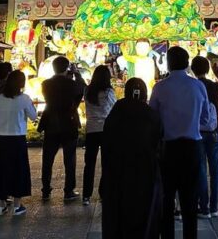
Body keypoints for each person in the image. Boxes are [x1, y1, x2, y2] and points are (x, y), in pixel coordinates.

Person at [150, 46, 210, 239]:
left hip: (169, 149)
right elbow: (205, 118)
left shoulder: (160, 87)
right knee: (189, 200)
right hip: (193, 147)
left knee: (167, 199)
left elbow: (153, 119)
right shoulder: (198, 86)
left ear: (168, 63)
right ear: (187, 63)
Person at [101, 78, 163, 239]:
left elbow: (107, 144)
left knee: (117, 218)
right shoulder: (151, 114)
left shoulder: (117, 111)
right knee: (145, 217)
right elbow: (158, 143)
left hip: (117, 174)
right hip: (145, 174)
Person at [0, 70, 36, 216]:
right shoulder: (24, 98)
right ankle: (17, 205)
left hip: (0, 138)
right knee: (18, 170)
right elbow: (33, 116)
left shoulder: (0, 98)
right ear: (22, 83)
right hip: (17, 138)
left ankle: (1, 205)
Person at [38, 56, 86, 201]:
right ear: (67, 68)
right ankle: (68, 190)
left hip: (50, 122)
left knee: (47, 159)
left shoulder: (46, 84)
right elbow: (82, 89)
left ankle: (46, 189)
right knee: (69, 158)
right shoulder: (72, 84)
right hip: (69, 122)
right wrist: (76, 74)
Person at [192, 55, 218, 219]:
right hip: (215, 132)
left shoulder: (193, 86)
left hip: (198, 132)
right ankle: (214, 208)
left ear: (192, 69)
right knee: (215, 170)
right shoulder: (216, 87)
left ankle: (203, 208)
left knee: (201, 170)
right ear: (208, 68)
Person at [83, 65, 116, 205]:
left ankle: (86, 196)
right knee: (106, 163)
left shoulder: (87, 90)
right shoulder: (109, 92)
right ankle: (104, 193)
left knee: (89, 163)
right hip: (106, 129)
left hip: (91, 129)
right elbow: (114, 108)